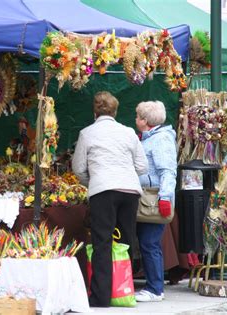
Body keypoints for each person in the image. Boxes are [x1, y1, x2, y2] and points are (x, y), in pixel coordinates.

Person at [72, 91, 148, 307]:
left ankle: (101, 297)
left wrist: (93, 181)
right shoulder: (128, 132)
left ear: (95, 111)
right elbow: (143, 167)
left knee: (102, 242)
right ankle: (124, 290)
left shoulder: (87, 133)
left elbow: (78, 168)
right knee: (126, 241)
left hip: (103, 190)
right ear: (115, 111)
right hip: (129, 191)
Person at [134, 101, 177, 302]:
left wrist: (165, 198)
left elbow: (167, 171)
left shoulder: (160, 140)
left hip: (154, 197)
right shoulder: (150, 138)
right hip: (147, 197)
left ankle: (155, 289)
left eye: (138, 116)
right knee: (146, 242)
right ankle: (153, 286)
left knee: (150, 243)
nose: (135, 119)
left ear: (146, 121)